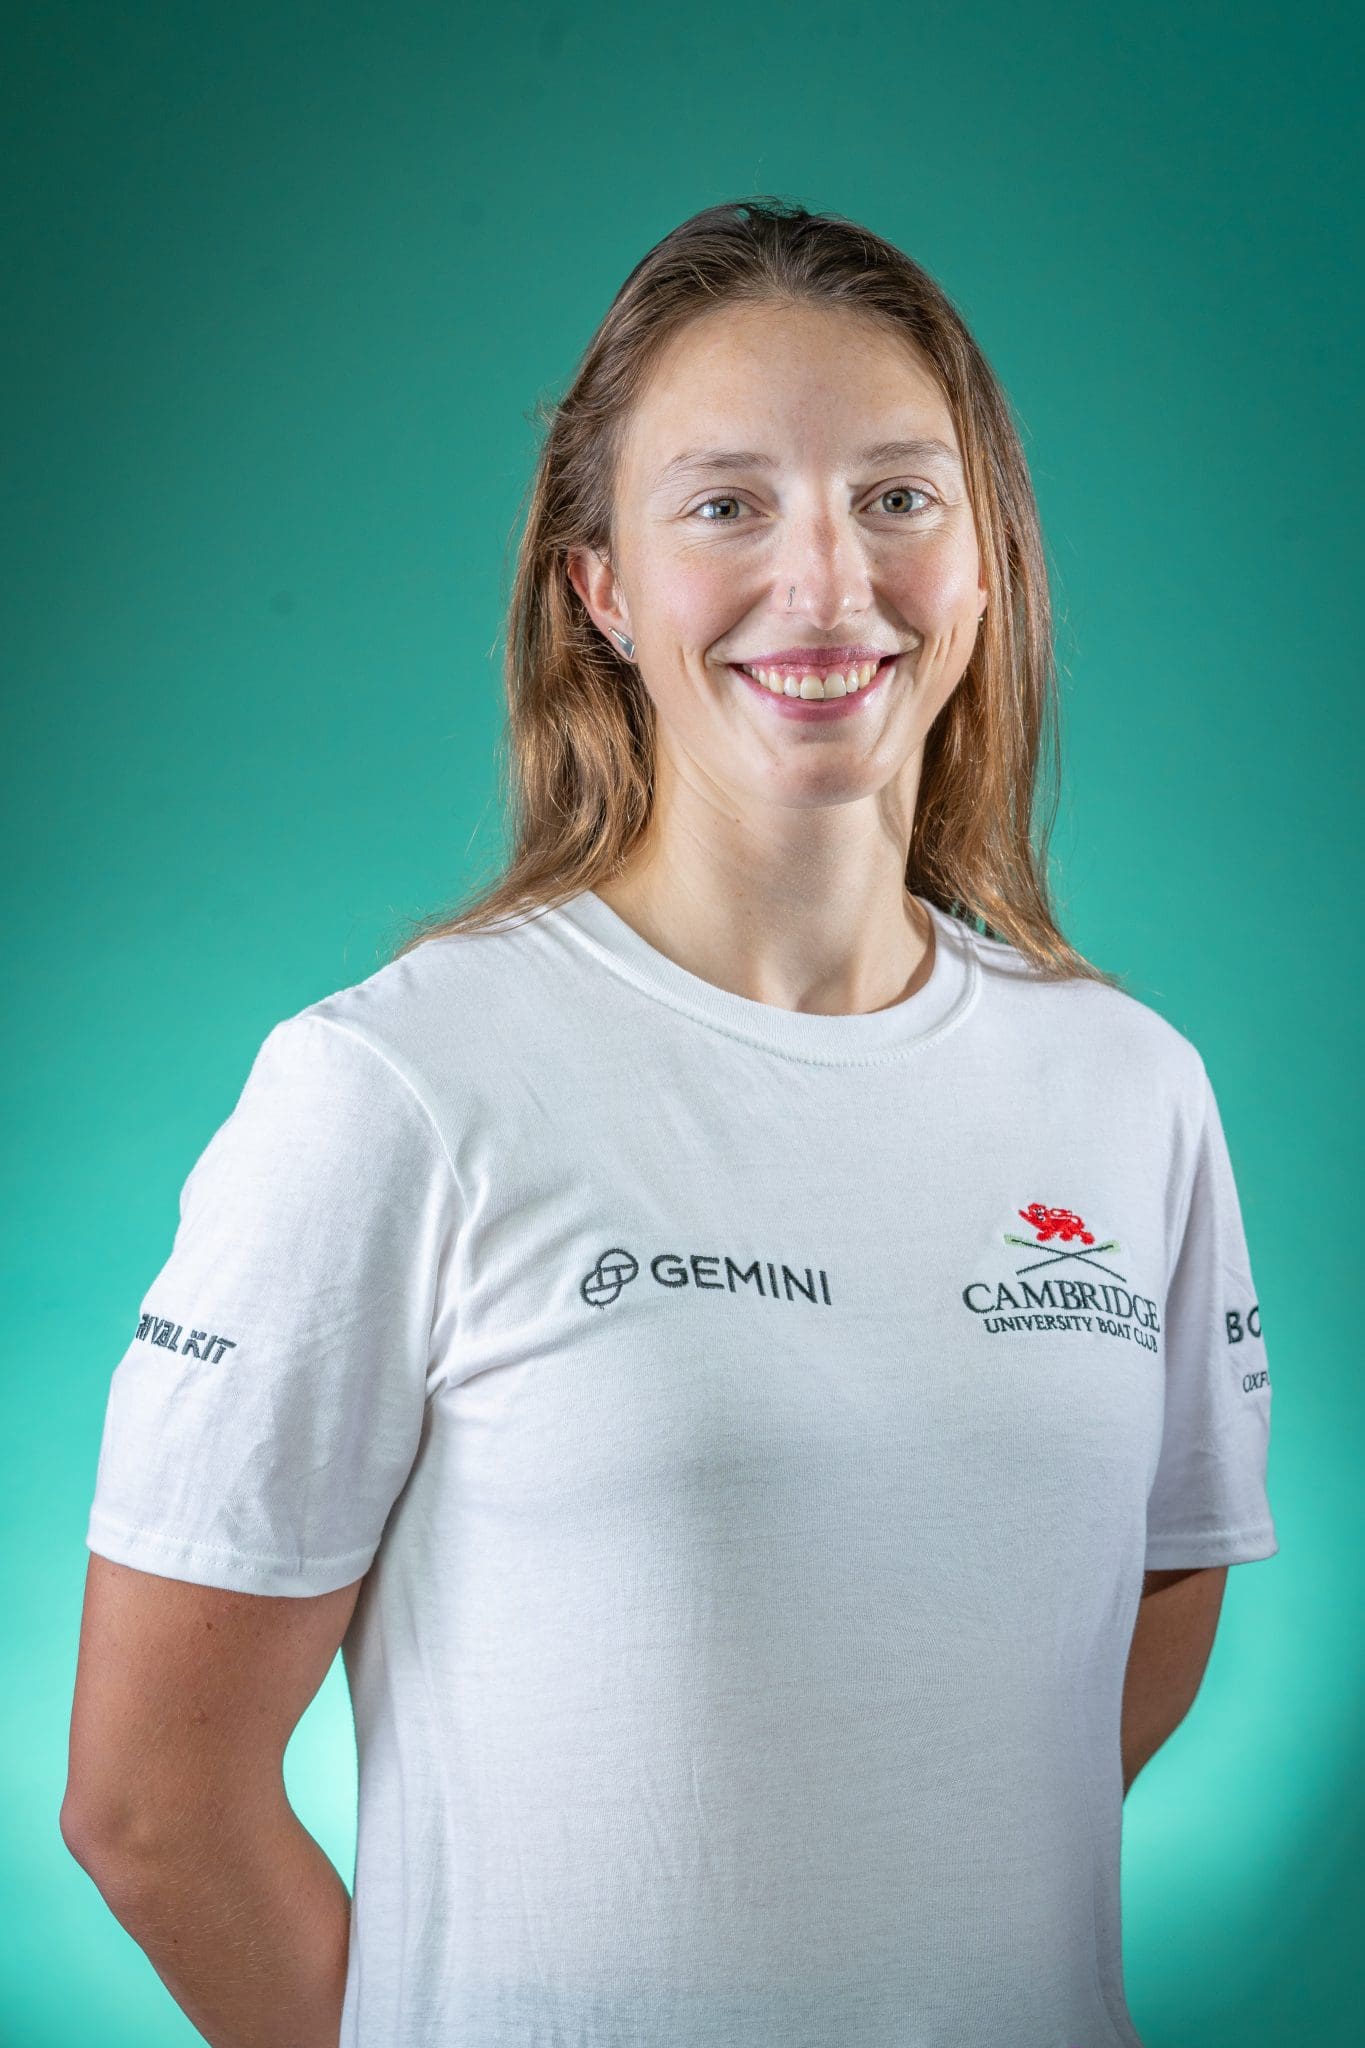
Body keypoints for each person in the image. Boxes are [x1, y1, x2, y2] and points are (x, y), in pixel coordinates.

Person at [62, 198, 1277, 2048]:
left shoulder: (1130, 1086)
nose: (828, 584)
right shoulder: (398, 1088)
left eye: (897, 496)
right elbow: (153, 1808)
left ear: (985, 566)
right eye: (725, 506)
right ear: (601, 590)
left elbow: (1152, 1599)